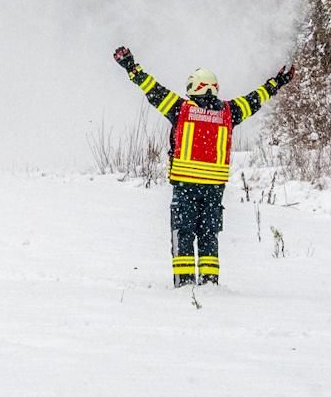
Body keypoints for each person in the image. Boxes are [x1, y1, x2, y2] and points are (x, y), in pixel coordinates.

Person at [111, 47, 294, 288]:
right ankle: (210, 282)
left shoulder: (180, 109)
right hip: (214, 189)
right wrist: (276, 83)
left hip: (186, 185)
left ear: (193, 87)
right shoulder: (230, 112)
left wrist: (131, 66)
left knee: (183, 233)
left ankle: (185, 282)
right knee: (209, 235)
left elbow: (151, 88)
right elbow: (256, 99)